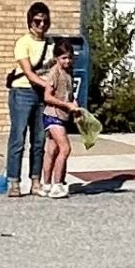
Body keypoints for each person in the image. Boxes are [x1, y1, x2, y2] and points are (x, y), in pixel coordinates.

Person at [5, 2, 53, 198]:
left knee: (39, 140)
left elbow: (54, 69)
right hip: (22, 92)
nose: (41, 25)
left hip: (42, 95)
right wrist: (46, 85)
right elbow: (28, 72)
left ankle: (35, 181)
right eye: (37, 21)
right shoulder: (23, 42)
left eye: (45, 21)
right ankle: (14, 182)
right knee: (18, 138)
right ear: (30, 22)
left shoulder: (50, 44)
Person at [40, 40, 83, 199]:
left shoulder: (68, 72)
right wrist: (66, 104)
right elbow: (47, 96)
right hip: (53, 115)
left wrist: (74, 105)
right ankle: (57, 185)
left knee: (52, 150)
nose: (67, 61)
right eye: (64, 58)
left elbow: (69, 94)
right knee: (65, 148)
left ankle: (46, 185)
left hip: (63, 115)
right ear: (57, 57)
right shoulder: (54, 73)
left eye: (70, 58)